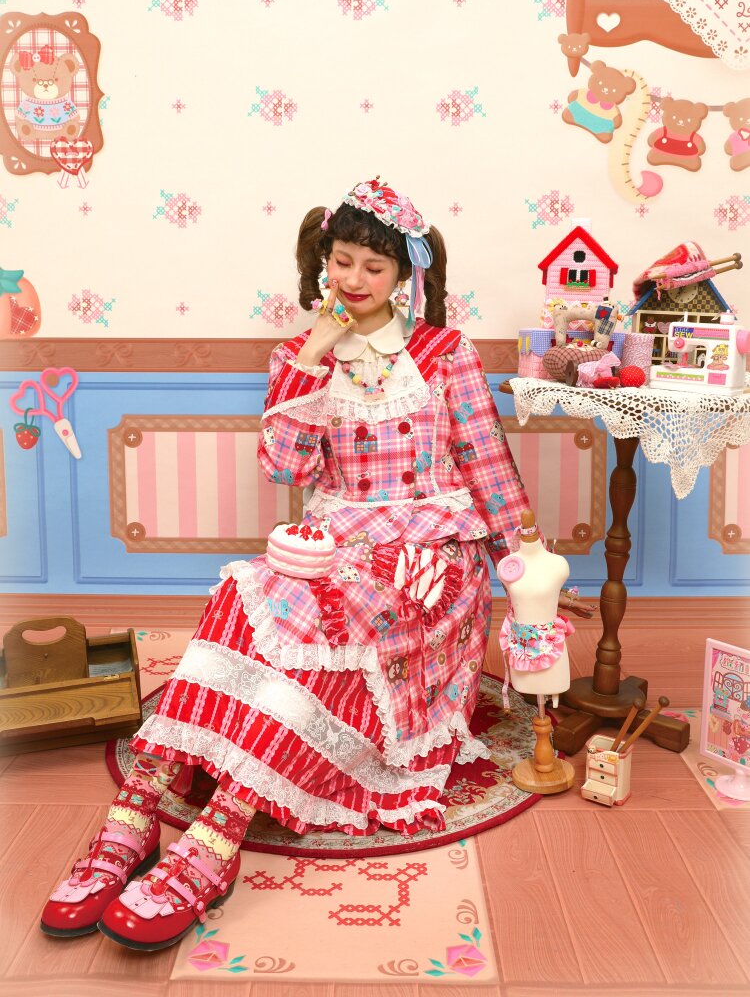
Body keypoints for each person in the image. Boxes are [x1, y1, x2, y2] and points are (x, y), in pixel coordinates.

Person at [40, 177, 532, 951]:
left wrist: (524, 567)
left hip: (431, 558)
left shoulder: (445, 354)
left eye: (374, 267)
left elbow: (489, 466)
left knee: (326, 634)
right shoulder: (300, 357)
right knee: (242, 602)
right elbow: (285, 466)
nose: (354, 280)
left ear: (405, 273)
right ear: (322, 261)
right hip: (333, 543)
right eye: (342, 261)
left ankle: (217, 838)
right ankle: (132, 819)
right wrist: (312, 355)